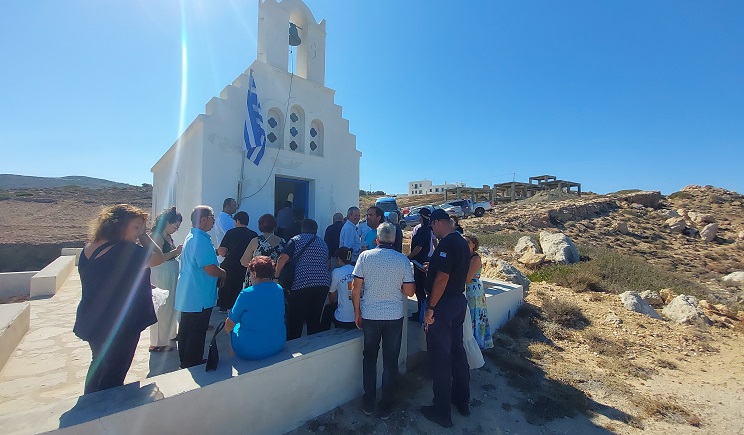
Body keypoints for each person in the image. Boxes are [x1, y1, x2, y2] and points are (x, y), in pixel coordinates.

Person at [74, 204, 165, 394]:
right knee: (114, 374)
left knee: (98, 365)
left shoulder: (90, 247)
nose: (139, 231)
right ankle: (103, 415)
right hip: (121, 325)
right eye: (136, 227)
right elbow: (158, 257)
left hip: (95, 320)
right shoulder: (126, 251)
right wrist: (144, 236)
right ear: (119, 225)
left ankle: (86, 409)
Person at [352, 223, 416, 418]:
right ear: (395, 240)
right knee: (390, 361)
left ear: (376, 239)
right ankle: (386, 404)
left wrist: (357, 312)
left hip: (370, 315)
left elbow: (356, 288)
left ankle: (369, 401)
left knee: (369, 358)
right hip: (393, 317)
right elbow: (410, 291)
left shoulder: (365, 257)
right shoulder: (402, 260)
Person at [420, 209, 472, 428]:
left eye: (432, 226)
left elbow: (442, 279)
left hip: (444, 306)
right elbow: (451, 270)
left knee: (440, 358)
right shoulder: (461, 242)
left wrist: (430, 308)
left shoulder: (447, 243)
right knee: (457, 352)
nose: (432, 230)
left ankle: (441, 411)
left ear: (439, 222)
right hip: (458, 302)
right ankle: (462, 400)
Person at [175, 206, 226, 369]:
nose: (213, 220)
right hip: (199, 295)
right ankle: (192, 362)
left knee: (186, 330)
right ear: (203, 219)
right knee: (196, 331)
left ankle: (186, 360)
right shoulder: (200, 240)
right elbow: (210, 269)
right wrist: (223, 274)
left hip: (190, 294)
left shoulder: (193, 237)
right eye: (212, 217)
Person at [275, 219, 330, 340]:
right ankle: (313, 345)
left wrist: (276, 275)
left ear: (302, 228)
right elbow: (327, 263)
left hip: (301, 283)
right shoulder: (322, 243)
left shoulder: (296, 240)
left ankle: (293, 346)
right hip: (322, 283)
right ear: (315, 230)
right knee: (314, 318)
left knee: (295, 318)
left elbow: (282, 258)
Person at [225, 256, 286, 360]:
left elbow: (229, 324)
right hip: (278, 343)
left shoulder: (246, 293)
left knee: (232, 329)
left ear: (254, 274)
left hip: (250, 350)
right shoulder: (279, 289)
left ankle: (235, 361)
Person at [148, 206, 183, 352]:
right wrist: (175, 252)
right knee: (161, 307)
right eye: (175, 226)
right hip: (161, 274)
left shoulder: (167, 235)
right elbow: (157, 258)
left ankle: (169, 335)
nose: (176, 229)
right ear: (167, 222)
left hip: (170, 272)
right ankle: (158, 342)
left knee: (170, 306)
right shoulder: (157, 236)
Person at [217, 211, 258, 312]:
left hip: (230, 265)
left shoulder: (230, 233)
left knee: (227, 287)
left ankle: (225, 307)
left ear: (237, 221)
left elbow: (222, 251)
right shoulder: (253, 235)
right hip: (245, 266)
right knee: (240, 287)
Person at [463, 234, 493, 350]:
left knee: (475, 317)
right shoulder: (464, 256)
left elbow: (467, 278)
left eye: (468, 242)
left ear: (474, 244)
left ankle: (476, 346)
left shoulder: (475, 258)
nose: (465, 245)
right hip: (466, 290)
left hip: (473, 292)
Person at [240, 213, 286, 284]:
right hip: (275, 281)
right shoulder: (282, 242)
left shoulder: (255, 241)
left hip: (257, 280)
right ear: (274, 226)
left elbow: (244, 261)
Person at [407, 207, 432, 321]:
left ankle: (421, 313)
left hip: (419, 262)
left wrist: (409, 257)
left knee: (420, 288)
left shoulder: (423, 230)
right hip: (419, 260)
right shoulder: (425, 229)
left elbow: (419, 247)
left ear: (422, 217)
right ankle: (420, 311)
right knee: (419, 288)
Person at [327, 247, 356, 329]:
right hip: (358, 314)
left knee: (328, 310)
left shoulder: (336, 272)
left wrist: (331, 302)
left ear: (339, 259)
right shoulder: (357, 270)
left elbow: (332, 293)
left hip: (343, 317)